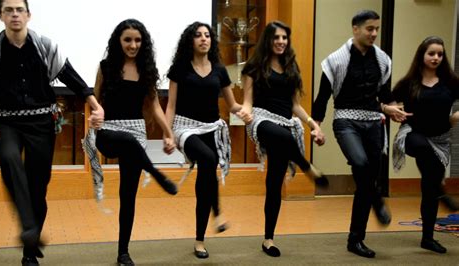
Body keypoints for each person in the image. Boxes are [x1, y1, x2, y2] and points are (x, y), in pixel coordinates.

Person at [0, 0, 104, 265]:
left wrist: (95, 105)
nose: (14, 14)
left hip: (42, 124)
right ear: (0, 16)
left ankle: (30, 250)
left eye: (19, 10)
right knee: (8, 158)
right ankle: (28, 227)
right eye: (9, 10)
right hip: (7, 123)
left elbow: (71, 76)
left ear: (28, 15)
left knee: (38, 189)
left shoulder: (45, 46)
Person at [312, 10, 411, 258]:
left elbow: (384, 95)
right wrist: (316, 126)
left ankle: (355, 240)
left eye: (377, 28)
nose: (374, 33)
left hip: (374, 122)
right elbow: (323, 97)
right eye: (370, 29)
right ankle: (377, 199)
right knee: (361, 164)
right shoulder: (335, 60)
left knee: (366, 179)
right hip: (345, 121)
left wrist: (392, 108)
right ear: (355, 29)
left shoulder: (382, 60)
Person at [83, 19, 178, 266]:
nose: (133, 45)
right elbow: (95, 99)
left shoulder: (147, 70)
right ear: (119, 41)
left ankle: (123, 252)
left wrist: (168, 133)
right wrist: (94, 117)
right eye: (128, 40)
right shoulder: (106, 66)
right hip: (108, 131)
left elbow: (155, 105)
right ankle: (156, 173)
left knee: (128, 195)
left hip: (136, 132)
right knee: (125, 140)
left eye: (137, 40)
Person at [237, 20, 328, 258]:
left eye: (284, 38)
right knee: (282, 136)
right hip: (261, 120)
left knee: (274, 184)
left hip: (286, 122)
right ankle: (306, 165)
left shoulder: (290, 66)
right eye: (276, 37)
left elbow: (295, 106)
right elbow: (247, 100)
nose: (280, 42)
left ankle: (268, 239)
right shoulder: (253, 67)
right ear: (268, 40)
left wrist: (313, 126)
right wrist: (246, 111)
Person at [165, 21, 239, 259]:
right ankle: (218, 213)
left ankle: (200, 240)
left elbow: (232, 104)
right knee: (208, 160)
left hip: (212, 129)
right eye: (198, 35)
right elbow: (171, 105)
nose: (203, 39)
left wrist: (247, 110)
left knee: (207, 175)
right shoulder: (180, 68)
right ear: (191, 40)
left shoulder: (219, 69)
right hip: (185, 128)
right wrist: (168, 133)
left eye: (207, 35)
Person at [392, 36, 459, 254]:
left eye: (440, 54)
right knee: (421, 147)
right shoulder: (409, 82)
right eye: (432, 53)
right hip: (412, 134)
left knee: (429, 187)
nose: (436, 58)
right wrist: (393, 111)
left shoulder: (450, 81)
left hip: (439, 140)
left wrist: (455, 117)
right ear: (422, 55)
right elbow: (387, 101)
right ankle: (441, 190)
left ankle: (427, 238)